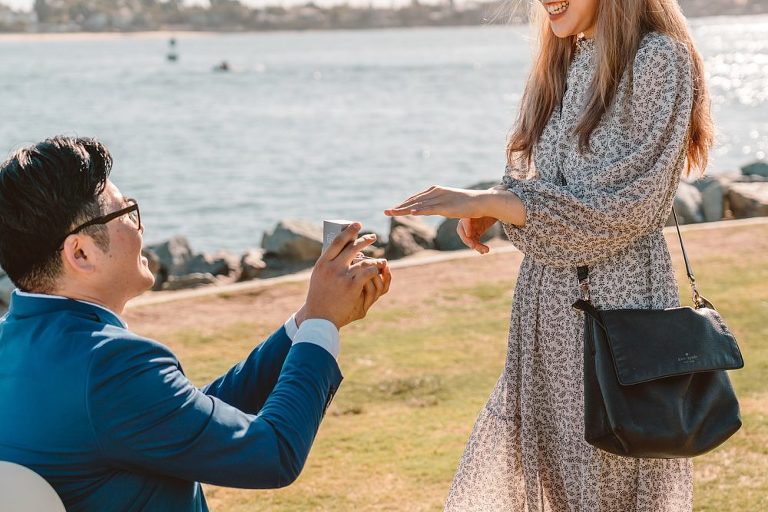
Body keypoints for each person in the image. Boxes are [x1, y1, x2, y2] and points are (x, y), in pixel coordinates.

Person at [386, 0, 713, 510]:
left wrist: (495, 201)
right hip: (547, 308)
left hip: (618, 312)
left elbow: (628, 205)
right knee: (554, 481)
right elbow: (557, 184)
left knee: (614, 478)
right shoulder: (564, 59)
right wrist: (504, 205)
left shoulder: (659, 58)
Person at [0, 136, 392, 512]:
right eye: (125, 213)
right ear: (81, 253)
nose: (139, 228)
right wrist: (323, 323)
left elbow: (180, 418)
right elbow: (272, 453)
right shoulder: (111, 364)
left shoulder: (11, 342)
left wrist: (307, 318)